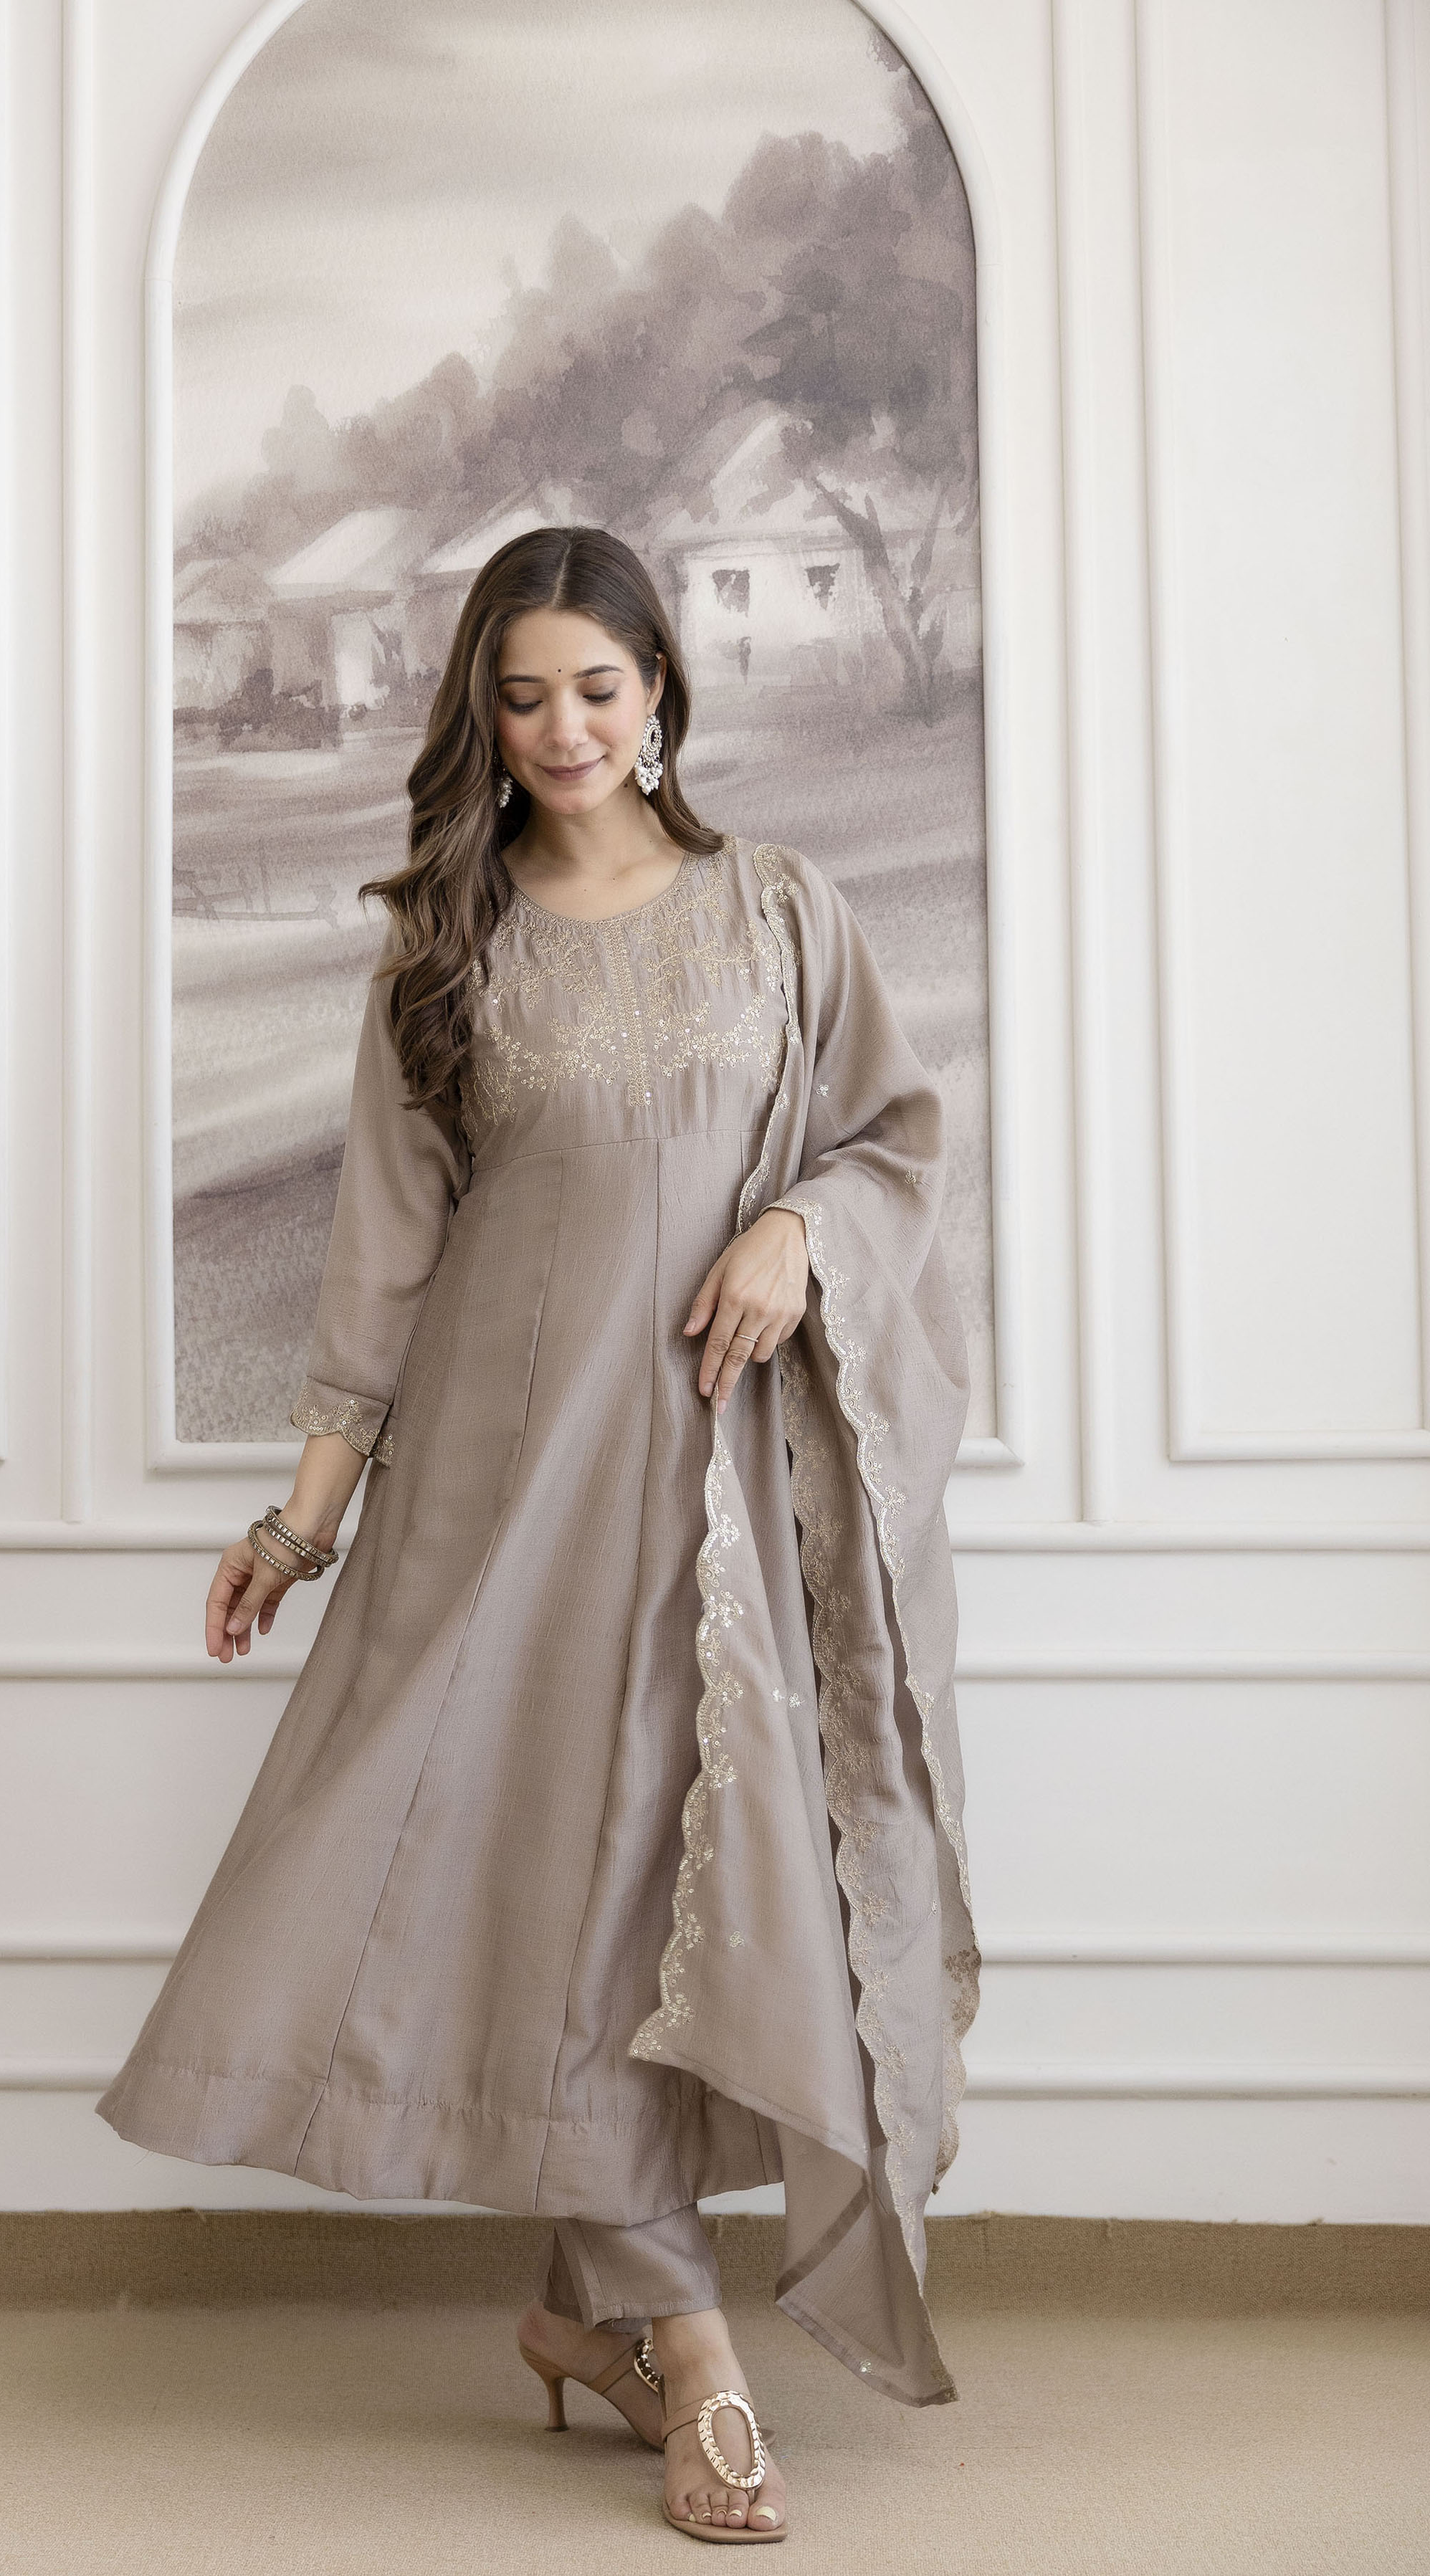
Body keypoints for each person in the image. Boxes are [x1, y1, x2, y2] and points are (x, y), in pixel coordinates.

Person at [99, 527, 979, 2543]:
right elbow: (382, 1263)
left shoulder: (782, 912)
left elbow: (894, 1140)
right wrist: (296, 1528)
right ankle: (694, 2365)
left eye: (596, 686)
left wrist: (797, 1223)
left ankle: (598, 2322)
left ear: (659, 690)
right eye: (521, 696)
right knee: (561, 1907)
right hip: (505, 1506)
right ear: (480, 720)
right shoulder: (446, 946)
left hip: (723, 1502)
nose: (562, 727)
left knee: (669, 1896)